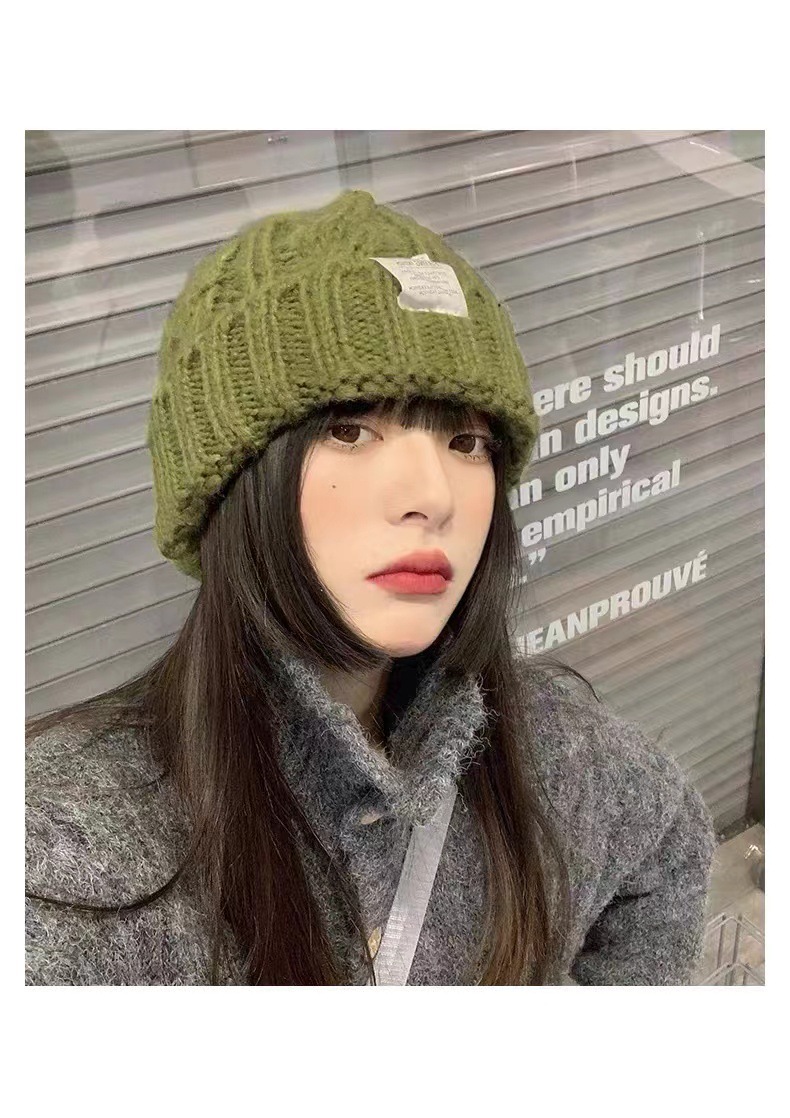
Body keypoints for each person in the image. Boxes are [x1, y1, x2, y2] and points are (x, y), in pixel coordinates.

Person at [25, 190, 716, 986]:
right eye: (350, 429)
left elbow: (664, 857)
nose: (433, 495)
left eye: (467, 442)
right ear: (232, 484)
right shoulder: (66, 862)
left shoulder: (560, 757)